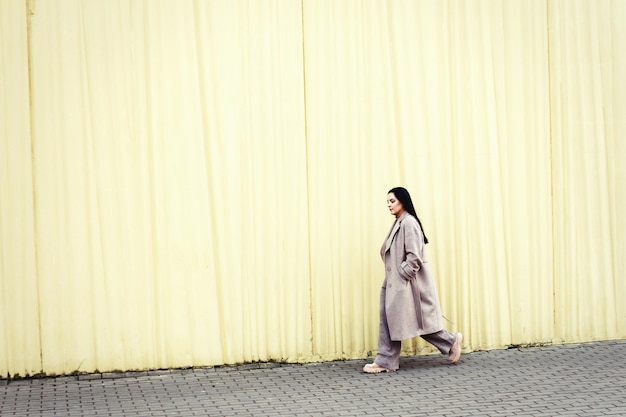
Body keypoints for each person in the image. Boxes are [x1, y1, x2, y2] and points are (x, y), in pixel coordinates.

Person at [363, 187, 462, 373]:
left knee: (419, 322)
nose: (388, 205)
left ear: (402, 201)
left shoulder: (409, 222)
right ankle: (386, 360)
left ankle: (450, 341)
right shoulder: (400, 221)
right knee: (389, 320)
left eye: (392, 201)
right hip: (394, 282)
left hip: (405, 284)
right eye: (387, 202)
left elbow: (414, 256)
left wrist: (402, 275)